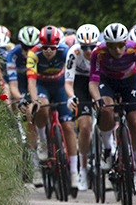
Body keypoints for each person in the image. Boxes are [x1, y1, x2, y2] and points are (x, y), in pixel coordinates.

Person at [89, 22, 136, 194]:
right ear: (106, 44)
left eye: (120, 45)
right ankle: (108, 148)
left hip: (130, 82)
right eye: (112, 46)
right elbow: (93, 82)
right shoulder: (98, 52)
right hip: (106, 82)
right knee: (106, 109)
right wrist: (97, 99)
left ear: (126, 41)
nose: (117, 50)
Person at [27, 25, 79, 191]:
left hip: (60, 85)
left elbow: (72, 77)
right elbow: (31, 81)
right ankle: (42, 141)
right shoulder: (33, 54)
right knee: (42, 107)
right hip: (42, 86)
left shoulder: (65, 51)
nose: (49, 51)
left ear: (58, 46)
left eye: (52, 48)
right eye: (45, 48)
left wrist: (72, 95)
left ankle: (74, 172)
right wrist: (34, 100)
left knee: (69, 127)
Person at [64, 23, 101, 191]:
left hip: (100, 82)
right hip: (81, 83)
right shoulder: (74, 53)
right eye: (85, 46)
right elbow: (69, 83)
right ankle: (83, 168)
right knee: (85, 127)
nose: (88, 50)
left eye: (92, 46)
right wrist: (72, 97)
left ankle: (110, 147)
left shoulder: (102, 52)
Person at [6, 25, 41, 183]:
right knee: (16, 108)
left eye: (31, 47)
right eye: (25, 47)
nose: (28, 51)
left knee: (33, 115)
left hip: (35, 86)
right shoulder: (12, 55)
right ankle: (17, 140)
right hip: (19, 88)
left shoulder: (38, 54)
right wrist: (21, 100)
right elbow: (13, 86)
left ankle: (35, 157)